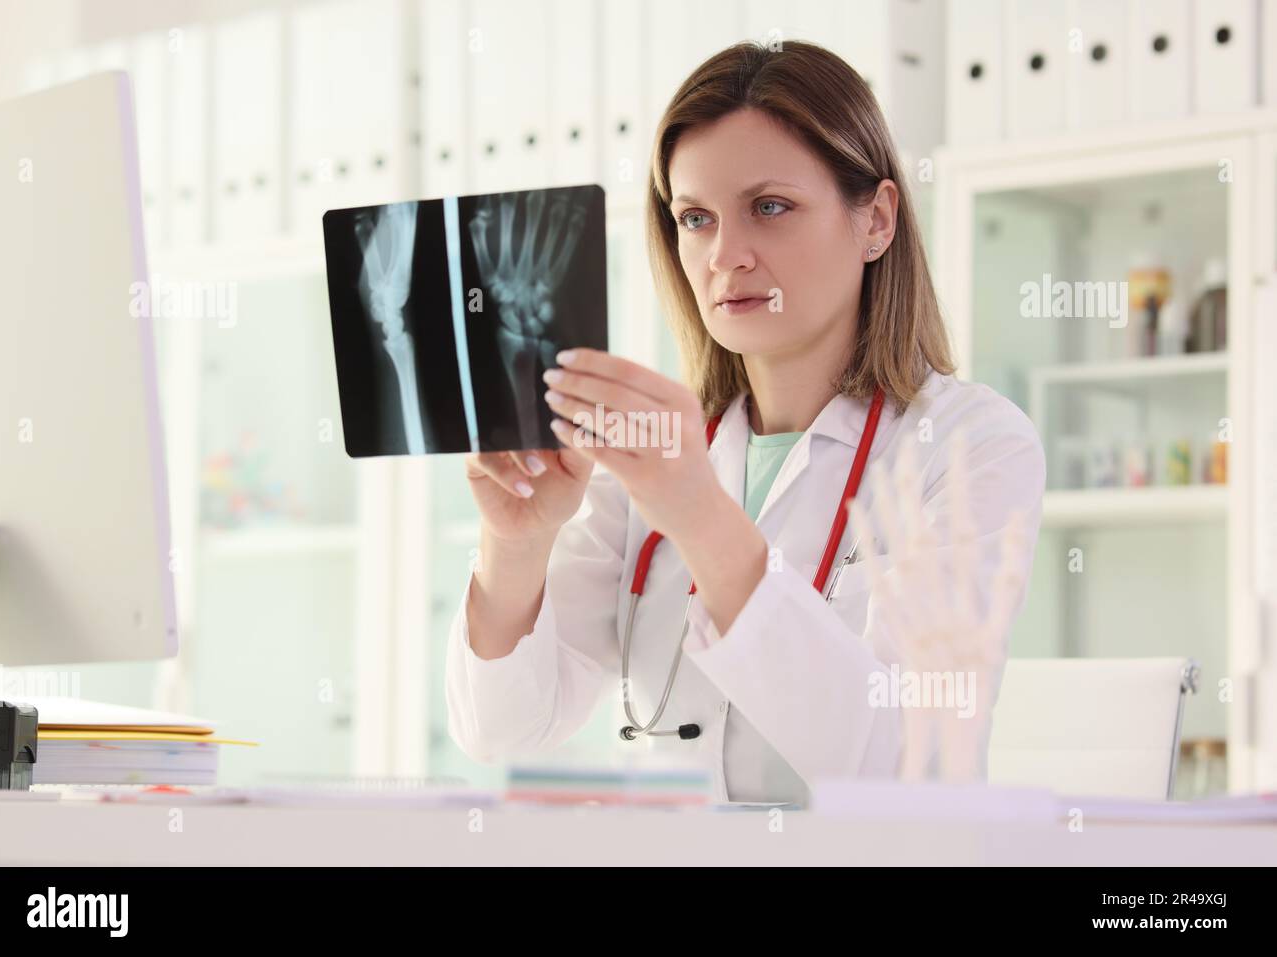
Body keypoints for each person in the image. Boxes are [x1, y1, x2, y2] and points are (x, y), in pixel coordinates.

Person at [446, 40, 1045, 805]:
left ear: (878, 221)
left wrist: (699, 514)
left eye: (770, 207)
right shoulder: (651, 450)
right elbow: (501, 729)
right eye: (696, 218)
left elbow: (910, 766)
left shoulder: (970, 445)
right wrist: (516, 543)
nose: (727, 255)